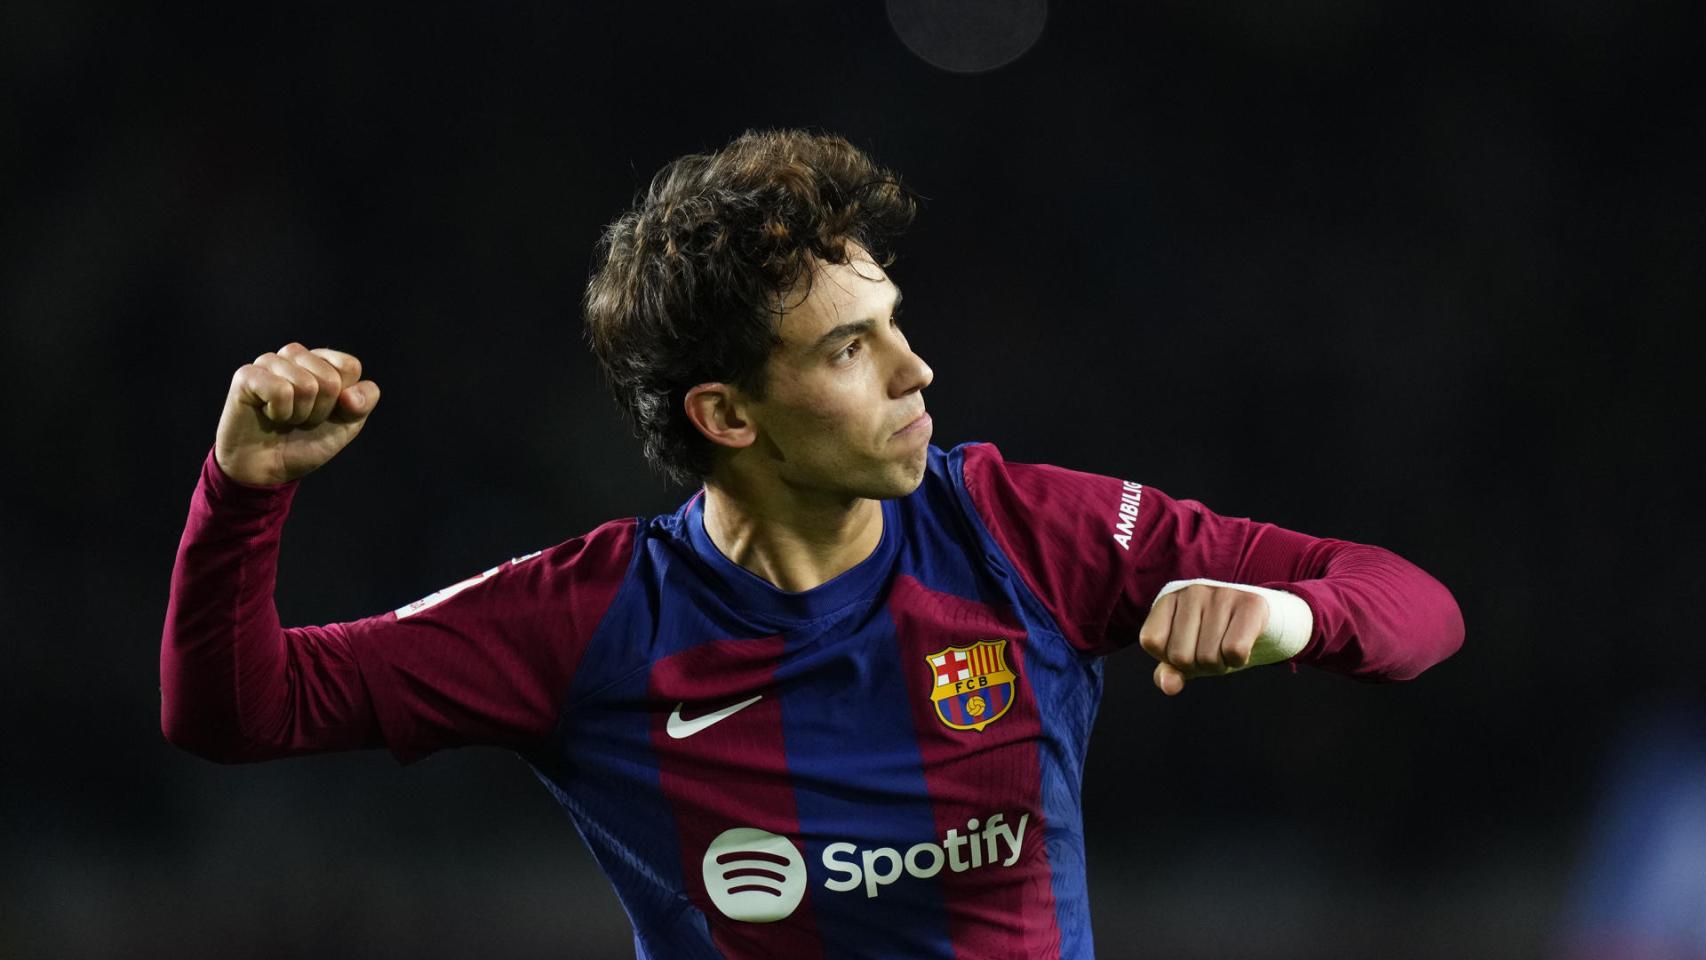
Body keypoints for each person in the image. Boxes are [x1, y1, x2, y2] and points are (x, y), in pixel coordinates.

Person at [161, 129, 1465, 959]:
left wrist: (1289, 617)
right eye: (850, 348)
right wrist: (241, 490)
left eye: (892, 320)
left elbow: (1414, 607)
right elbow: (238, 710)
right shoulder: (588, 620)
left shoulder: (1019, 529)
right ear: (727, 415)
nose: (915, 368)